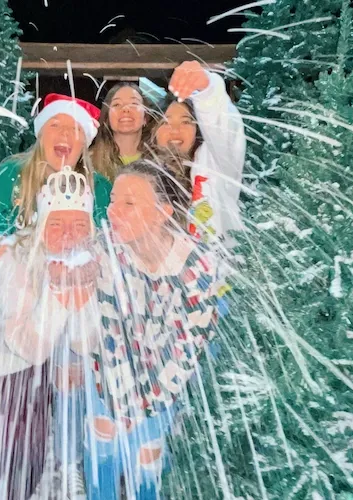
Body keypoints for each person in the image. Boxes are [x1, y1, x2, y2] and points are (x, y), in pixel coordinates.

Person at [0, 166, 101, 499]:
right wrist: (60, 296)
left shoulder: (90, 261)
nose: (69, 234)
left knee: (32, 453)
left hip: (30, 362)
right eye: (56, 224)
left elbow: (85, 341)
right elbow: (27, 345)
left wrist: (81, 297)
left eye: (79, 225)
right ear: (41, 227)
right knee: (3, 448)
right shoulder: (14, 259)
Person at [83, 159, 226, 500]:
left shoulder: (197, 267)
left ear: (163, 212)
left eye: (129, 204)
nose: (114, 211)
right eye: (114, 201)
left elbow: (186, 349)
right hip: (112, 374)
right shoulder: (107, 253)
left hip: (163, 381)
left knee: (146, 459)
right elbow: (109, 334)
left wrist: (146, 404)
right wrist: (121, 400)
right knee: (102, 447)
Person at [0, 93, 112, 275]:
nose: (65, 133)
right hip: (16, 287)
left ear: (85, 142)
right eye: (55, 124)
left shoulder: (99, 188)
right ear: (40, 134)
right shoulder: (12, 173)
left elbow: (110, 253)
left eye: (76, 128)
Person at [154, 61, 246, 245]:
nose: (174, 130)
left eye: (186, 122)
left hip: (217, 268)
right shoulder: (144, 175)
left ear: (199, 129)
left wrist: (207, 90)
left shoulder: (216, 166)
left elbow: (225, 129)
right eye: (166, 122)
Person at [91, 83, 154, 181]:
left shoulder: (157, 162)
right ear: (107, 117)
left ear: (145, 118)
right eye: (117, 104)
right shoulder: (89, 162)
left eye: (134, 104)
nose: (125, 109)